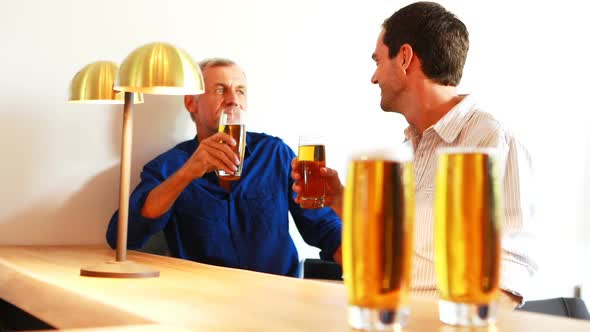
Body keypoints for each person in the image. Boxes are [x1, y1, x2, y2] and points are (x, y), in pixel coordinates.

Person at [292, 2, 536, 307]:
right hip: (383, 317)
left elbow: (509, 277)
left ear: (405, 57)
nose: (374, 77)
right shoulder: (408, 150)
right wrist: (340, 199)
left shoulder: (492, 139)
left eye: (378, 61)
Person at [106, 58, 342, 277]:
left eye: (240, 91)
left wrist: (372, 273)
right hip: (204, 300)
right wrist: (187, 173)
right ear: (191, 102)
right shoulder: (170, 166)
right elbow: (121, 236)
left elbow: (326, 228)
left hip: (277, 295)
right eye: (220, 90)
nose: (233, 99)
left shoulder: (274, 154)